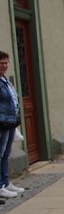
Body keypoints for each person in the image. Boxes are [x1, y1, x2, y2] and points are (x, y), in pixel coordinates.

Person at [0, 51, 24, 199]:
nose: (4, 66)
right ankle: (1, 185)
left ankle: (6, 182)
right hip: (1, 122)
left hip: (10, 122)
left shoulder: (5, 80)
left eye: (6, 62)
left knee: (6, 154)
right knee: (0, 154)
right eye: (1, 63)